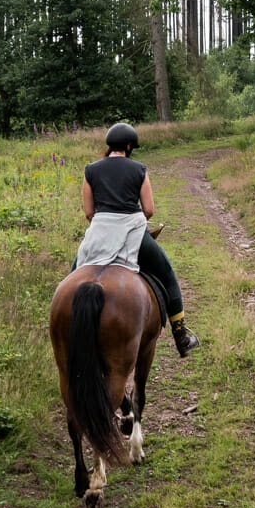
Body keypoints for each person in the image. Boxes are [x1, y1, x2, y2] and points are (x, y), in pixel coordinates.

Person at [73, 122, 198, 356]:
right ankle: (181, 334)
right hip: (133, 232)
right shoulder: (139, 169)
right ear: (129, 146)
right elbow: (149, 209)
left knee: (74, 273)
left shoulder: (91, 169)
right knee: (166, 271)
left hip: (98, 232)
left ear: (109, 145)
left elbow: (89, 212)